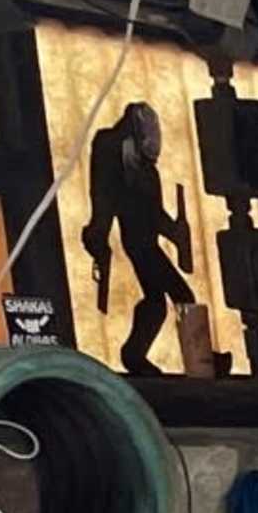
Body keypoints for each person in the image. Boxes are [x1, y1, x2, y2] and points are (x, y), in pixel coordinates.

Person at [85, 101, 198, 374]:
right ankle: (197, 358)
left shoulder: (146, 172)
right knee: (180, 296)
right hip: (138, 243)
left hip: (146, 242)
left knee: (158, 301)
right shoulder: (115, 157)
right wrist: (99, 234)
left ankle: (137, 354)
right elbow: (104, 199)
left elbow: (156, 215)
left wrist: (175, 232)